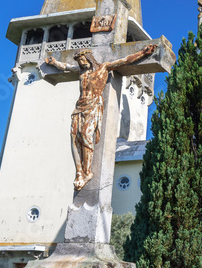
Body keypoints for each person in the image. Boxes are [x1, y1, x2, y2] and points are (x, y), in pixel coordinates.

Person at [46, 43, 156, 191]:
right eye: (79, 62)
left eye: (83, 60)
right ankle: (79, 172)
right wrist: (54, 62)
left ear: (90, 58)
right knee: (74, 138)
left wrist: (142, 53)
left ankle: (87, 171)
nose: (81, 63)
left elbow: (124, 60)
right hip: (79, 106)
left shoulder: (103, 68)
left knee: (85, 135)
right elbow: (65, 66)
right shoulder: (81, 71)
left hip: (93, 105)